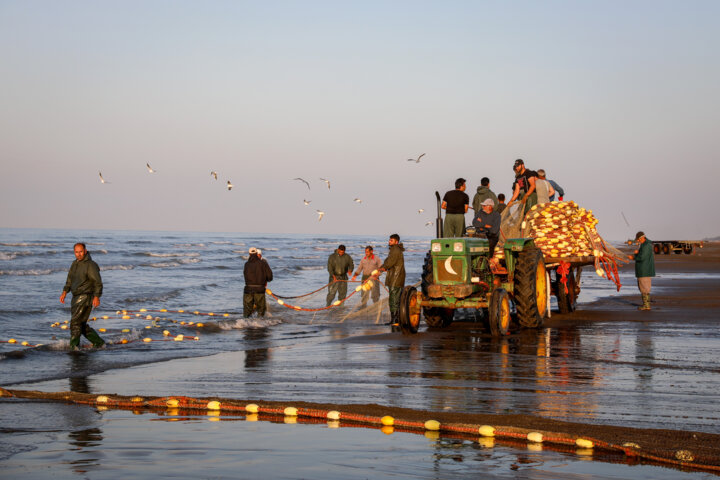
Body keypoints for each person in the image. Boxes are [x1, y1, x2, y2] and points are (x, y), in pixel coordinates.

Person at [60, 243, 105, 350]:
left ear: (85, 251)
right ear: (74, 252)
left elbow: (98, 282)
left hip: (85, 297)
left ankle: (74, 348)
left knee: (75, 323)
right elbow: (69, 279)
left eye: (81, 251)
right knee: (81, 324)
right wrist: (65, 292)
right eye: (76, 252)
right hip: (75, 297)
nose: (79, 254)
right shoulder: (74, 264)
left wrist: (97, 296)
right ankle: (99, 343)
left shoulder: (90, 265)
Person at [378, 234, 405, 325]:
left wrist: (383, 268)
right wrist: (382, 268)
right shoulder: (394, 250)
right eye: (389, 240)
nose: (389, 241)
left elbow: (390, 262)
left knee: (394, 299)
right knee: (395, 298)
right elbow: (388, 261)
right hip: (395, 277)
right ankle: (395, 319)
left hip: (396, 277)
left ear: (396, 242)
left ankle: (395, 320)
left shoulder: (395, 250)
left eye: (391, 240)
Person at [243, 247, 273, 317]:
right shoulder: (263, 263)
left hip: (248, 290)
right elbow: (270, 277)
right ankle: (260, 325)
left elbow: (245, 275)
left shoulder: (246, 264)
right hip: (260, 290)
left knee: (247, 312)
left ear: (249, 254)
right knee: (261, 311)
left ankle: (245, 325)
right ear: (256, 253)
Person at [629, 231, 655, 311]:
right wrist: (638, 252)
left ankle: (646, 305)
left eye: (638, 239)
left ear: (642, 238)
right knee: (645, 288)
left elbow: (642, 257)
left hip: (644, 270)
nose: (638, 241)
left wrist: (633, 257)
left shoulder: (646, 245)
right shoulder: (646, 244)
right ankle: (646, 304)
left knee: (644, 288)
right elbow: (643, 255)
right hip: (645, 270)